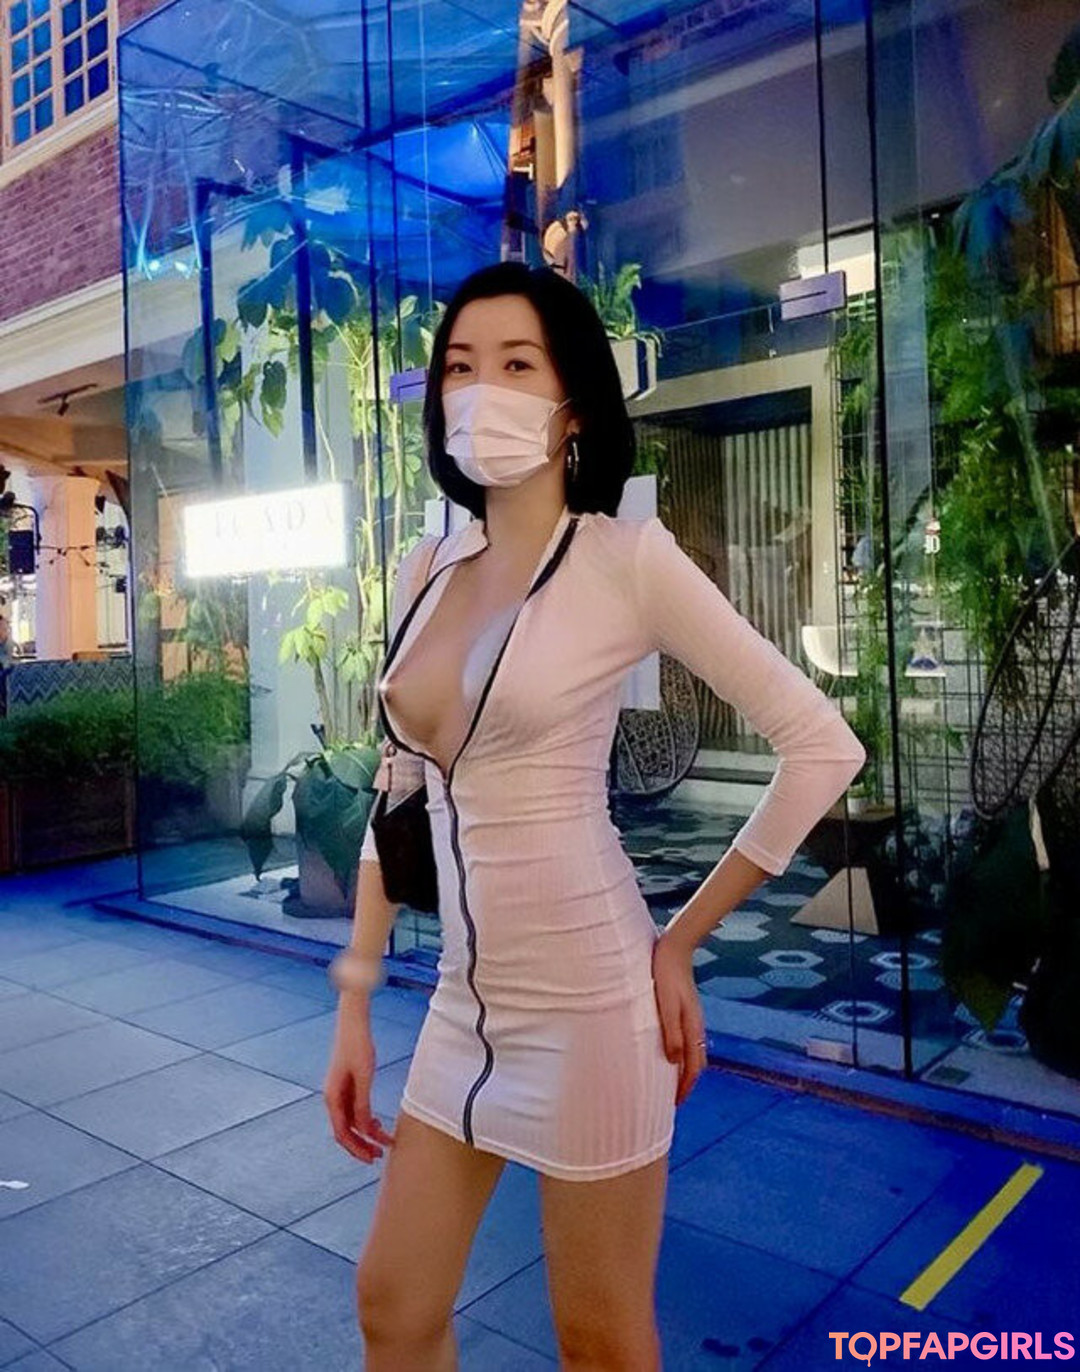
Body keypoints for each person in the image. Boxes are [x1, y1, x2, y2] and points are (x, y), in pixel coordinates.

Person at [322, 262, 866, 1371]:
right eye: (460, 366)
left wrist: (680, 940)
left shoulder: (626, 560)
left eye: (516, 363)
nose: (481, 389)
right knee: (391, 1303)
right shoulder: (427, 566)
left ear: (572, 405)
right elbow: (399, 786)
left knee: (600, 1339)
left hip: (591, 1008)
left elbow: (822, 746)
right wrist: (355, 999)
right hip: (461, 1007)